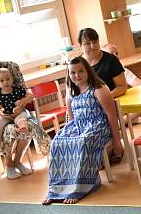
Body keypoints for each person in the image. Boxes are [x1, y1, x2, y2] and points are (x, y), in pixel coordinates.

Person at [43, 57, 123, 204]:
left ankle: (81, 187)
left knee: (82, 142)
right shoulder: (71, 93)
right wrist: (67, 133)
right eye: (72, 72)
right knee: (57, 142)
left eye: (80, 71)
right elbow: (71, 119)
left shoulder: (99, 89)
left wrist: (117, 142)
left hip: (98, 127)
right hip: (78, 126)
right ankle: (57, 190)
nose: (77, 75)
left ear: (88, 71)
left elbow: (111, 115)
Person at [0, 40, 50, 179]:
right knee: (10, 130)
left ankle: (17, 161)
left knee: (28, 126)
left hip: (18, 111)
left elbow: (23, 92)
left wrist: (20, 106)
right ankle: (9, 164)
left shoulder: (10, 67)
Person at [0, 68, 34, 155]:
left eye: (8, 79)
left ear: (12, 79)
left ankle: (23, 130)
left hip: (18, 113)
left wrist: (24, 101)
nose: (5, 82)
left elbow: (31, 96)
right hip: (5, 116)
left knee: (22, 118)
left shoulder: (17, 90)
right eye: (2, 80)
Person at [78, 28, 127, 99]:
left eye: (94, 42)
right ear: (81, 46)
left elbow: (122, 88)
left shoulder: (111, 60)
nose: (92, 46)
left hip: (109, 102)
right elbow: (71, 92)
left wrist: (102, 99)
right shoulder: (76, 64)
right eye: (87, 43)